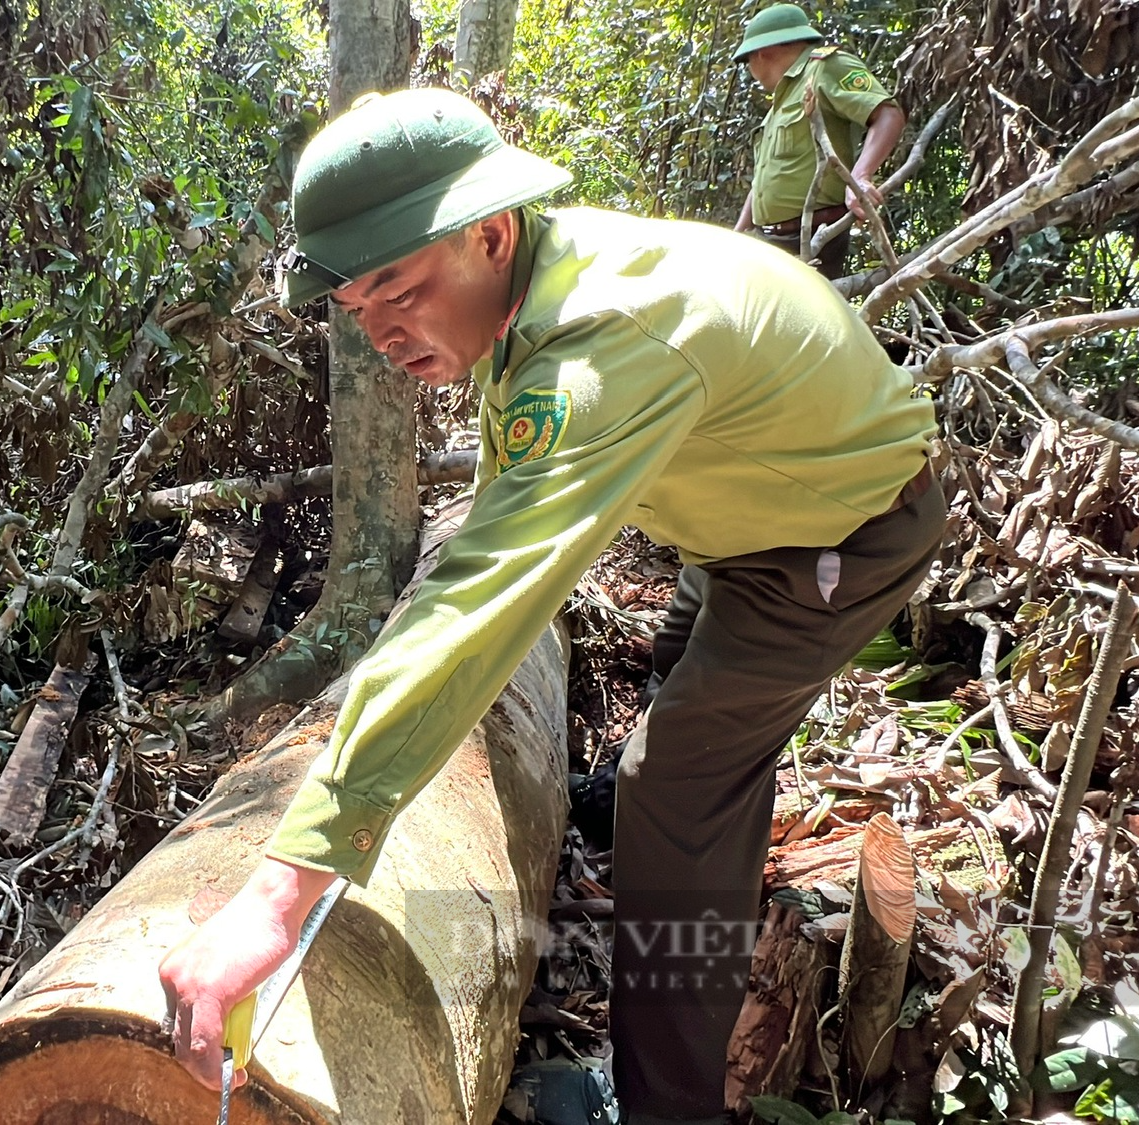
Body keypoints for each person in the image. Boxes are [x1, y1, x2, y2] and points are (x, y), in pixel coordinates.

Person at [158, 88, 942, 1124]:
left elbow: (482, 601)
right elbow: (505, 516)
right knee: (672, 662)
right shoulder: (530, 279)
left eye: (399, 287)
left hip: (832, 537)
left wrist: (278, 889)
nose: (383, 331)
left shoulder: (600, 347)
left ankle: (664, 1107)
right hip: (743, 499)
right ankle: (620, 818)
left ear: (487, 232)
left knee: (675, 781)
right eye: (357, 307)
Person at [732, 4, 906, 280]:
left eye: (748, 62)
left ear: (761, 54)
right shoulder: (783, 99)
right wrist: (740, 232)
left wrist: (860, 178)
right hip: (767, 241)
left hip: (813, 238)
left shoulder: (824, 69)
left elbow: (888, 114)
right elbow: (764, 181)